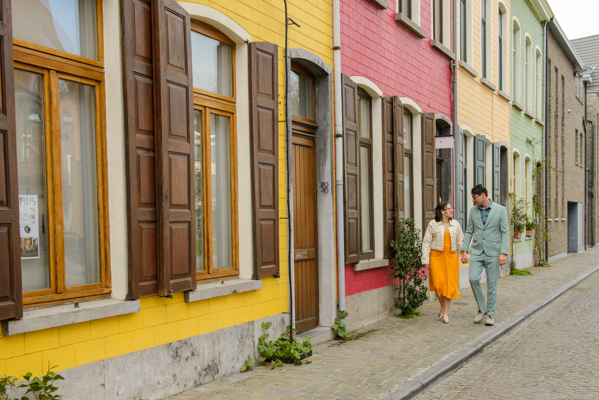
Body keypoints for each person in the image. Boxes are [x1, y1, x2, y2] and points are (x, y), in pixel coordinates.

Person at [460, 184, 509, 326]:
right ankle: (482, 308)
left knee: (492, 284)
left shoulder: (500, 210)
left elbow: (505, 232)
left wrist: (503, 253)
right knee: (473, 278)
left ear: (483, 195)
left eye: (474, 197)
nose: (473, 200)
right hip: (477, 251)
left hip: (493, 252)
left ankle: (491, 314)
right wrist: (464, 251)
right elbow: (469, 230)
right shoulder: (473, 211)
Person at [422, 202, 464, 324]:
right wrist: (425, 259)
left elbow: (461, 241)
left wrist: (464, 254)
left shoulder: (455, 224)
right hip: (436, 256)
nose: (451, 210)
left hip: (451, 257)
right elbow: (426, 242)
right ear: (442, 211)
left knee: (450, 285)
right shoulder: (433, 224)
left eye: (451, 208)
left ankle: (445, 313)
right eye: (449, 209)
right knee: (437, 285)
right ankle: (442, 306)